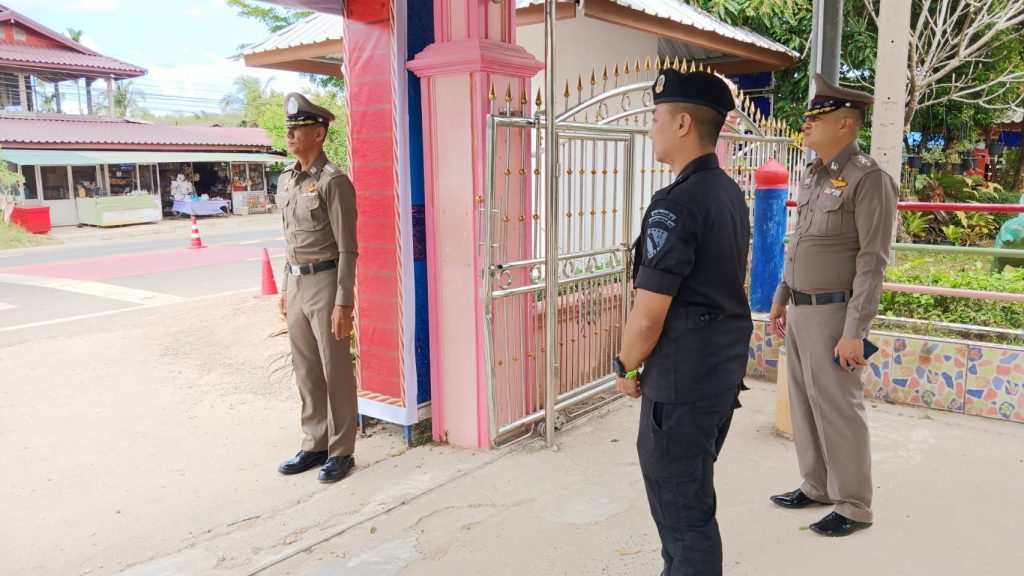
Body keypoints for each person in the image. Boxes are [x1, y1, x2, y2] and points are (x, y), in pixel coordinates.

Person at [614, 69, 753, 576]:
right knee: (688, 497)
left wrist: (626, 366)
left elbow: (648, 317)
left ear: (683, 124)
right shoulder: (727, 192)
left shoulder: (676, 204)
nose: (650, 128)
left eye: (656, 117)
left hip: (682, 383)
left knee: (684, 514)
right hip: (718, 374)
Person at [768, 73, 898, 536]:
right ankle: (818, 484)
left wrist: (854, 332)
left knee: (840, 410)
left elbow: (872, 262)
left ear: (845, 124)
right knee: (804, 403)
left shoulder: (870, 178)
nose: (806, 124)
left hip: (835, 314)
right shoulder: (813, 174)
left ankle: (854, 506)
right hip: (800, 310)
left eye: (816, 118)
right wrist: (782, 297)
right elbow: (799, 242)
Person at [275, 93, 359, 483]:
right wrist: (284, 286)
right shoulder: (287, 180)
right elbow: (289, 238)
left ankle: (341, 450)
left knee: (334, 368)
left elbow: (347, 247)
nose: (290, 134)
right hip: (296, 282)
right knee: (306, 369)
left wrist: (344, 301)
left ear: (319, 134)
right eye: (288, 129)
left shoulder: (333, 181)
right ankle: (315, 443)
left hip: (326, 282)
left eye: (298, 128)